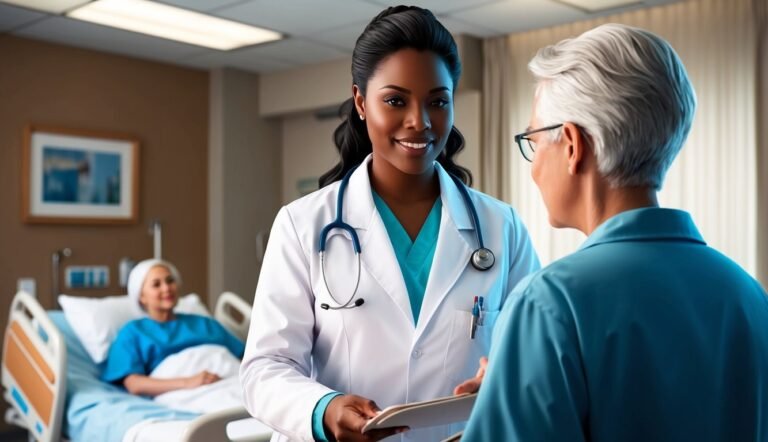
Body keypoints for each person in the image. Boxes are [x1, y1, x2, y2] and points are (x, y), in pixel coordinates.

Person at [239, 6, 540, 442]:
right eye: (396, 100)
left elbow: (536, 350)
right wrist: (323, 409)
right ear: (361, 102)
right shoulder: (303, 224)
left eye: (437, 101)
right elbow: (264, 368)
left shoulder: (501, 226)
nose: (419, 121)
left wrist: (506, 374)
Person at [456, 23, 768, 441]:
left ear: (571, 144)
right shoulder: (748, 296)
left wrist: (505, 395)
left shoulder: (548, 304)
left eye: (533, 140)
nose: (532, 166)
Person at [102, 259, 245, 396]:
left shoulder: (205, 323)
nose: (166, 288)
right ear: (142, 296)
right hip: (182, 392)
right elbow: (134, 384)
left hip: (231, 381)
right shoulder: (133, 332)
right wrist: (188, 382)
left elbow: (244, 358)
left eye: (170, 281)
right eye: (156, 284)